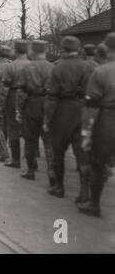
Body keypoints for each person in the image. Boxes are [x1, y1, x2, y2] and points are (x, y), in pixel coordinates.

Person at [44, 36, 95, 199]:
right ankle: (84, 191)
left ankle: (59, 188)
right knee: (83, 152)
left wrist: (47, 119)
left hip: (62, 111)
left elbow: (52, 97)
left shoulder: (57, 68)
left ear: (63, 49)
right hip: (83, 110)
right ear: (78, 49)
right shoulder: (88, 67)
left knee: (58, 151)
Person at [78, 32, 115, 217]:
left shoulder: (101, 72)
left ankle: (94, 205)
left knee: (97, 164)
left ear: (107, 49)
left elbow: (91, 107)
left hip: (107, 119)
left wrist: (86, 134)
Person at [16, 40, 54, 184]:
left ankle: (31, 170)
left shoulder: (27, 68)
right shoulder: (53, 67)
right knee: (49, 142)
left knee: (30, 140)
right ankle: (52, 174)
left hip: (32, 104)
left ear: (34, 51)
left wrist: (19, 110)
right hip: (49, 104)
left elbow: (21, 93)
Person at [0, 40, 31, 168]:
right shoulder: (32, 64)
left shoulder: (10, 66)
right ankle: (31, 162)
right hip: (29, 97)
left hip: (13, 97)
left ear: (16, 51)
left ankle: (16, 159)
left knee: (13, 128)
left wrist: (1, 105)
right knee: (29, 129)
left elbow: (4, 88)